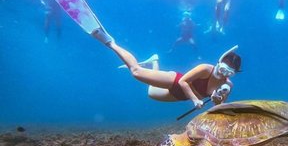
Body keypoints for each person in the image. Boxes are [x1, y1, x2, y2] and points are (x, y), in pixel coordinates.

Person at [92, 28, 240, 108]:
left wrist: (216, 99)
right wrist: (195, 100)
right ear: (219, 62)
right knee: (136, 72)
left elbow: (219, 104)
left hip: (180, 96)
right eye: (223, 68)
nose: (223, 74)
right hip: (174, 81)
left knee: (150, 93)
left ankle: (154, 61)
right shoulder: (206, 69)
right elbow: (183, 82)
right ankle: (110, 42)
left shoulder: (227, 85)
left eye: (229, 73)